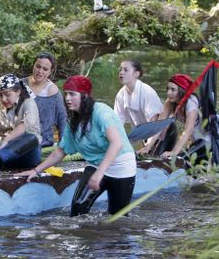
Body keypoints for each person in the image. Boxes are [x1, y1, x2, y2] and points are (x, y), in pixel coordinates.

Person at [16, 75, 137, 217]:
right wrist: (36, 171)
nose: (67, 98)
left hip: (121, 166)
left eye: (72, 94)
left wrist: (99, 174)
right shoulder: (73, 122)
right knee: (78, 211)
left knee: (118, 217)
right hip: (96, 164)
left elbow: (116, 143)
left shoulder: (101, 112)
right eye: (66, 93)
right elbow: (60, 152)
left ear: (85, 95)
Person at [140, 74, 207, 161]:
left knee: (185, 160)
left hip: (209, 140)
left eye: (173, 90)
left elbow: (188, 130)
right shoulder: (170, 102)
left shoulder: (191, 102)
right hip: (196, 138)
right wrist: (147, 147)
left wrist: (174, 153)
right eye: (168, 89)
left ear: (182, 91)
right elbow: (159, 126)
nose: (168, 93)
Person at [21, 52, 67, 147]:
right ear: (33, 65)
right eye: (38, 66)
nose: (40, 71)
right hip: (17, 137)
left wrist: (64, 145)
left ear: (50, 71)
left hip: (42, 140)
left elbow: (62, 119)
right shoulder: (20, 84)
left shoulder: (53, 92)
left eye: (45, 69)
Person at [114, 60, 163, 130]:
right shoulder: (120, 95)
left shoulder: (147, 92)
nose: (121, 73)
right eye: (120, 70)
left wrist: (150, 141)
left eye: (125, 70)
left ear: (136, 74)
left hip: (161, 132)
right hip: (142, 134)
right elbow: (117, 121)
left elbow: (154, 122)